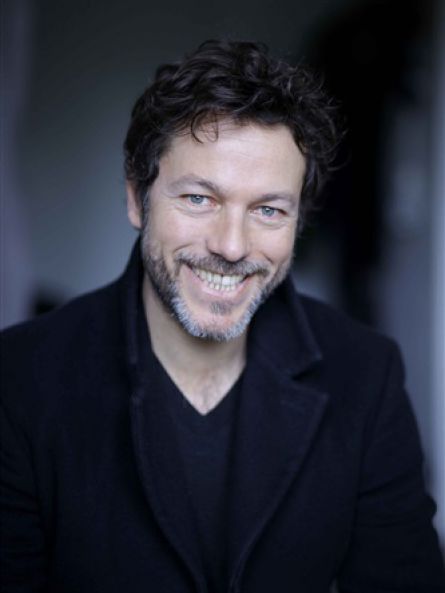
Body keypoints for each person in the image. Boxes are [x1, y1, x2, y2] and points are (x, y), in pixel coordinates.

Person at [1, 40, 444, 593]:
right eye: (199, 199)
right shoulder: (19, 378)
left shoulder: (366, 374)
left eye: (268, 210)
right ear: (137, 197)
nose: (232, 246)